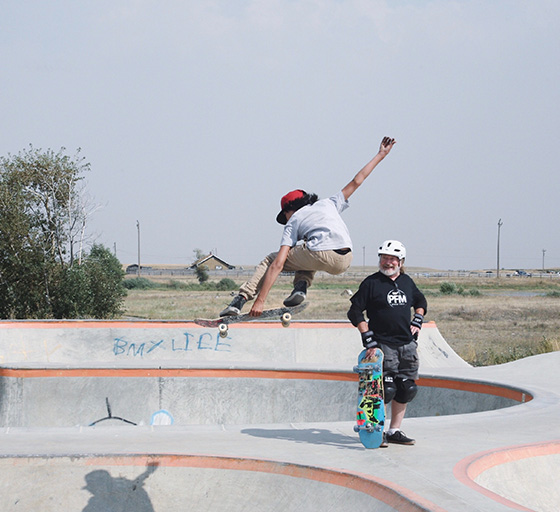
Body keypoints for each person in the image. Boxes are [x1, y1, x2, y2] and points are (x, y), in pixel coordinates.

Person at [220, 136, 396, 317]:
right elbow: (357, 181)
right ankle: (301, 287)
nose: (287, 220)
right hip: (346, 258)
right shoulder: (329, 203)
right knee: (306, 249)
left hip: (320, 253)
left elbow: (277, 265)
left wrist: (260, 300)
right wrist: (381, 155)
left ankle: (239, 300)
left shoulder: (294, 220)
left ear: (290, 209)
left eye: (285, 216)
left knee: (272, 259)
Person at [347, 240, 427, 446]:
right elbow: (354, 310)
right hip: (383, 346)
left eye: (392, 259)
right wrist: (367, 336)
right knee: (385, 389)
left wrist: (418, 319)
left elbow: (421, 301)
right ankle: (376, 431)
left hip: (407, 345)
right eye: (384, 258)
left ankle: (394, 431)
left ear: (400, 261)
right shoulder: (371, 283)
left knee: (406, 388)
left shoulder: (407, 282)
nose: (387, 262)